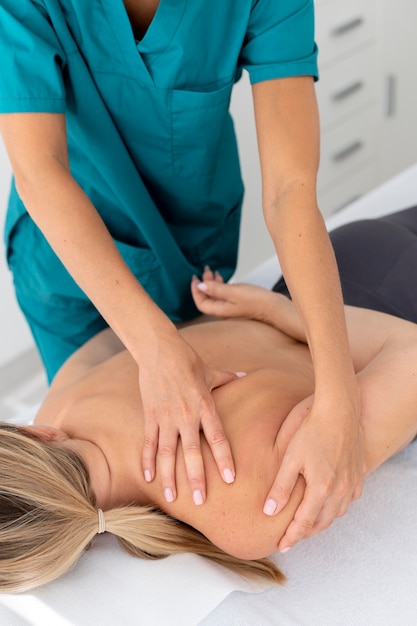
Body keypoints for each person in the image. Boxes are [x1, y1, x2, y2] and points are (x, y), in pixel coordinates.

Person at [0, 0, 362, 549]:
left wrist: (341, 403)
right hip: (70, 264)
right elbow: (38, 169)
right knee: (84, 475)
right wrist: (156, 349)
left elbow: (291, 191)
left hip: (188, 248)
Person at [1, 206, 417, 593]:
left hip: (384, 306)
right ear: (40, 435)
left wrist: (278, 313)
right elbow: (119, 339)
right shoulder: (62, 399)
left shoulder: (244, 516)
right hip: (328, 271)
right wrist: (270, 313)